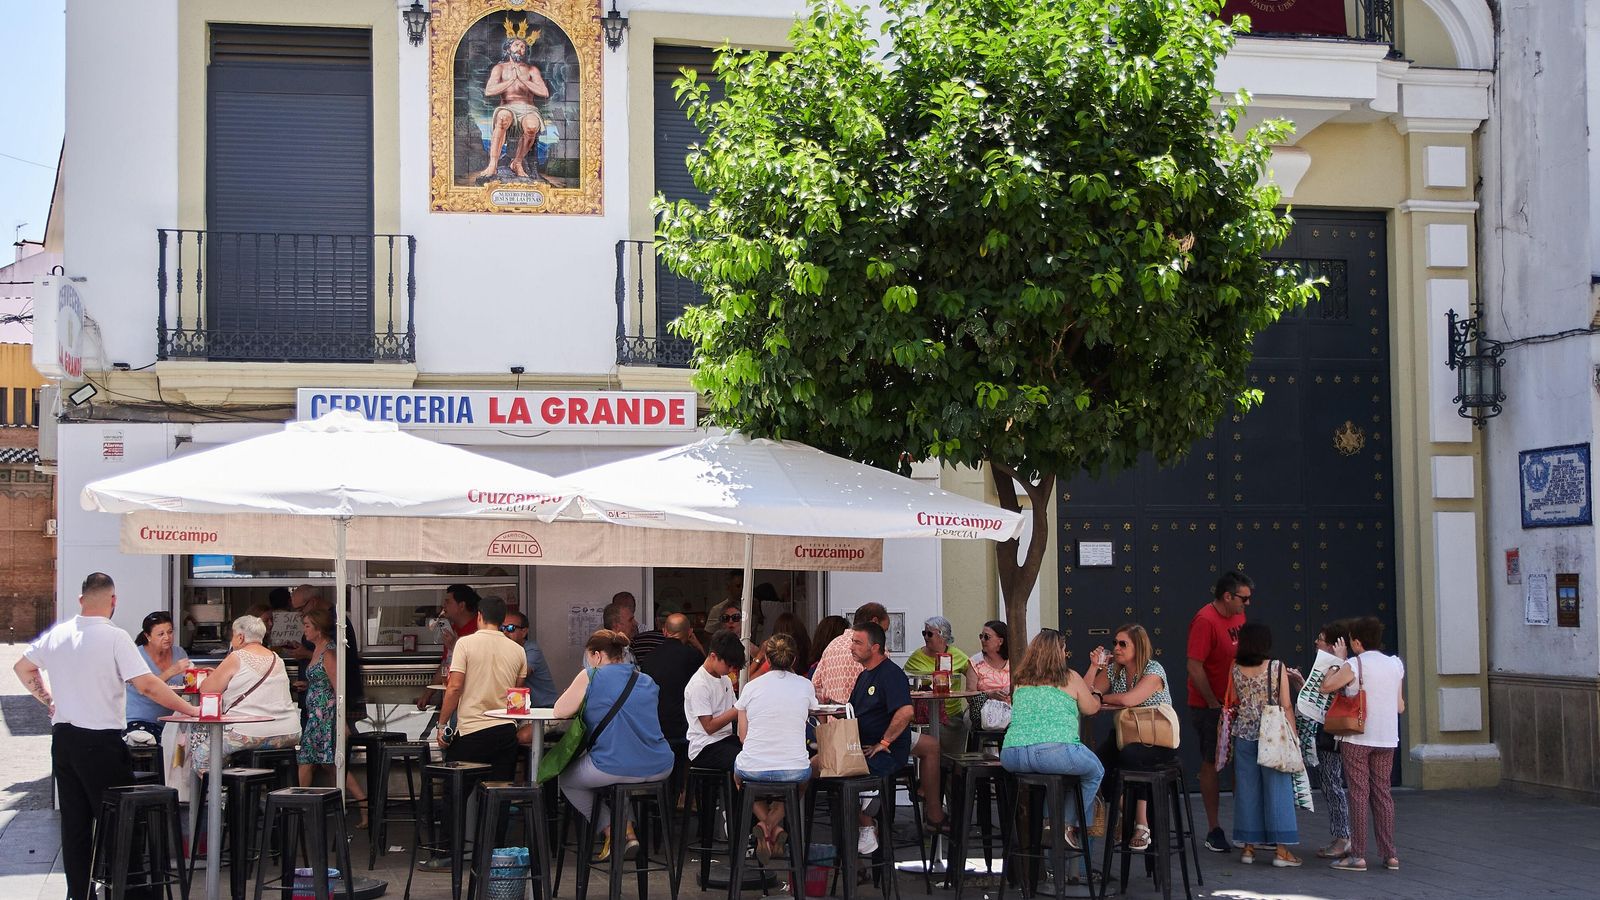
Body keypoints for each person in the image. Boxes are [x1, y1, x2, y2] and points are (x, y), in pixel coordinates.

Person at [15, 573, 201, 900]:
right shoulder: (114, 638)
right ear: (113, 601)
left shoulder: (59, 633)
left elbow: (22, 668)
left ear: (81, 599)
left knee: (75, 827)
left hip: (64, 739)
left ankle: (79, 894)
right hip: (99, 742)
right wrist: (191, 711)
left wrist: (48, 700)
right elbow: (146, 685)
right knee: (121, 825)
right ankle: (130, 895)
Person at [555, 630, 675, 862]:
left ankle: (614, 832)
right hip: (660, 765)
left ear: (597, 656)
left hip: (613, 766)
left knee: (567, 780)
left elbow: (560, 711)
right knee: (621, 784)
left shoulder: (590, 676)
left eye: (589, 656)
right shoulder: (647, 680)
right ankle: (628, 832)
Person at [1000, 628, 1104, 850]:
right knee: (1095, 771)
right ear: (1060, 652)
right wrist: (1097, 695)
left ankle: (1048, 825)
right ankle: (1066, 827)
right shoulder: (1069, 677)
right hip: (1053, 751)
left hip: (1012, 754)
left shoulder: (1020, 679)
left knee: (1050, 780)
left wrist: (1094, 669)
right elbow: (1091, 708)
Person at [1317, 616, 1404, 873]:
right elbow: (1400, 706)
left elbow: (1326, 687)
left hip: (1357, 736)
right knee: (1383, 793)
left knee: (1358, 793)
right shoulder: (1395, 664)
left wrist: (1338, 661)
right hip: (1387, 738)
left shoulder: (1355, 664)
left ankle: (1358, 855)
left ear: (1356, 642)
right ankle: (1390, 855)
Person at [1087, 623, 1175, 851]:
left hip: (1156, 739)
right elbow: (1087, 694)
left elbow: (1129, 700)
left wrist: (1103, 698)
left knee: (1133, 756)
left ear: (1139, 647)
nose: (1116, 648)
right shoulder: (1113, 669)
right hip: (1126, 735)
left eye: (1123, 644)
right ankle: (1127, 814)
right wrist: (1094, 667)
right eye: (1115, 643)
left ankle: (1142, 825)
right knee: (1097, 766)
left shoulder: (1154, 670)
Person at [733, 633, 813, 863]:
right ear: (795, 659)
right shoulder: (805, 686)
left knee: (738, 778)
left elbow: (742, 736)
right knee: (800, 780)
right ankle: (773, 825)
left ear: (767, 657)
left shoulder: (750, 687)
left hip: (753, 767)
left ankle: (765, 824)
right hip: (793, 769)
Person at [1187, 570, 1251, 852]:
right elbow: (1194, 665)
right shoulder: (1205, 620)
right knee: (1212, 762)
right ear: (1228, 596)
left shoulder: (1238, 617)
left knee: (1244, 763)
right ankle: (1214, 828)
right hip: (1210, 706)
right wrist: (1213, 701)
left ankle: (1245, 824)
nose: (1247, 604)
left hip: (1238, 703)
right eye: (1244, 599)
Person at [189, 614, 302, 773]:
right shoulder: (277, 659)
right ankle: (253, 791)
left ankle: (221, 796)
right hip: (289, 732)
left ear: (240, 637)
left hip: (250, 733)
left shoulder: (236, 657)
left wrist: (213, 676)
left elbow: (207, 690)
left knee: (202, 757)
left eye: (233, 636)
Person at [837, 621, 913, 855]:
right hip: (860, 748)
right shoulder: (863, 677)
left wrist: (885, 742)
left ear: (875, 647)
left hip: (885, 753)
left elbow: (906, 711)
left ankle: (867, 820)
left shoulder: (891, 674)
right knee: (817, 766)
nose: (851, 647)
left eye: (858, 642)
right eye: (852, 641)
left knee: (842, 775)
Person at [1228, 622, 1301, 867]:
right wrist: (1294, 735)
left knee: (1247, 789)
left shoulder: (1234, 667)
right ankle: (1281, 851)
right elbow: (1286, 704)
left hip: (1244, 732)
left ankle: (1248, 848)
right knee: (1277, 788)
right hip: (1272, 734)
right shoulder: (1276, 667)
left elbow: (1233, 699)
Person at [437, 595, 527, 781]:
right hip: (505, 732)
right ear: (502, 620)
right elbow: (517, 694)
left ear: (479, 616)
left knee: (456, 791)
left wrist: (442, 725)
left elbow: (454, 688)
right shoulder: (518, 650)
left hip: (472, 731)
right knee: (499, 791)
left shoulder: (464, 644)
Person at [296, 607, 368, 825]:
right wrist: (307, 685)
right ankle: (303, 807)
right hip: (316, 715)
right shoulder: (318, 648)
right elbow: (324, 681)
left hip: (325, 717)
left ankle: (301, 808)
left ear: (318, 629)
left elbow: (339, 688)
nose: (304, 630)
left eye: (307, 625)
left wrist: (342, 722)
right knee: (320, 763)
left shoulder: (328, 652)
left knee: (323, 763)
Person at [473, 17, 551, 181]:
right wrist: (510, 80)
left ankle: (517, 162)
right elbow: (489, 91)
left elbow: (544, 92)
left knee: (532, 126)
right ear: (508, 49)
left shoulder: (531, 70)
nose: (520, 49)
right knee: (502, 118)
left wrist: (523, 80)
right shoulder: (499, 68)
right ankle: (492, 164)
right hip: (507, 106)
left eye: (523, 46)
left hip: (528, 108)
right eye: (516, 45)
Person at [637, 613, 705, 774]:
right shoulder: (693, 656)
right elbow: (708, 678)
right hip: (683, 728)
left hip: (653, 727)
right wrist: (699, 647)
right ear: (689, 632)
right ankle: (685, 794)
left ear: (664, 631)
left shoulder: (649, 658)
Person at [1309, 619, 1353, 861]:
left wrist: (1337, 661)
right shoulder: (1329, 665)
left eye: (1322, 639)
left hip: (1336, 732)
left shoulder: (1340, 667)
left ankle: (1343, 837)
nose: (1316, 642)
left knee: (1332, 783)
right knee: (1330, 782)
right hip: (1330, 730)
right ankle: (1341, 836)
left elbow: (1331, 691)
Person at [124, 611, 190, 753]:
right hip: (141, 720)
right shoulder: (136, 656)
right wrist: (171, 671)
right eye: (161, 634)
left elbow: (187, 682)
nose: (167, 637)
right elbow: (145, 688)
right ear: (147, 636)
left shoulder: (179, 653)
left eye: (170, 632)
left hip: (172, 721)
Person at [685, 631, 747, 771]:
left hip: (725, 739)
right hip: (704, 746)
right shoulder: (699, 684)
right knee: (744, 760)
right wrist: (739, 707)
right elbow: (709, 727)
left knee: (755, 753)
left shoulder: (725, 679)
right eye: (729, 665)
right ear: (713, 656)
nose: (731, 670)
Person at [416, 584, 481, 709]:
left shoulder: (479, 629)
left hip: (473, 702)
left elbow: (479, 664)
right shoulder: (452, 630)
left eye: (448, 602)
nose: (443, 606)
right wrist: (427, 694)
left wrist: (454, 645)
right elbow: (446, 663)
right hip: (454, 697)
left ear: (461, 606)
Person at [904, 615, 973, 721]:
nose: (925, 637)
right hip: (924, 717)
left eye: (929, 634)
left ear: (943, 637)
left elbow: (973, 670)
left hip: (952, 716)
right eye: (924, 633)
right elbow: (902, 680)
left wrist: (970, 690)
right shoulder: (917, 656)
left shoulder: (957, 655)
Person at [502, 611, 559, 706]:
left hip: (544, 709)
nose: (505, 632)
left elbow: (521, 676)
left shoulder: (532, 650)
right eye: (502, 628)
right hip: (522, 708)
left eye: (511, 628)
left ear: (524, 632)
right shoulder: (504, 650)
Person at [972, 620, 1011, 700]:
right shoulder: (975, 662)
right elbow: (969, 694)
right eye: (981, 636)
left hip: (1011, 710)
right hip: (984, 711)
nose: (982, 640)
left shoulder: (1013, 661)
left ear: (1000, 641)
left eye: (986, 637)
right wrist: (988, 695)